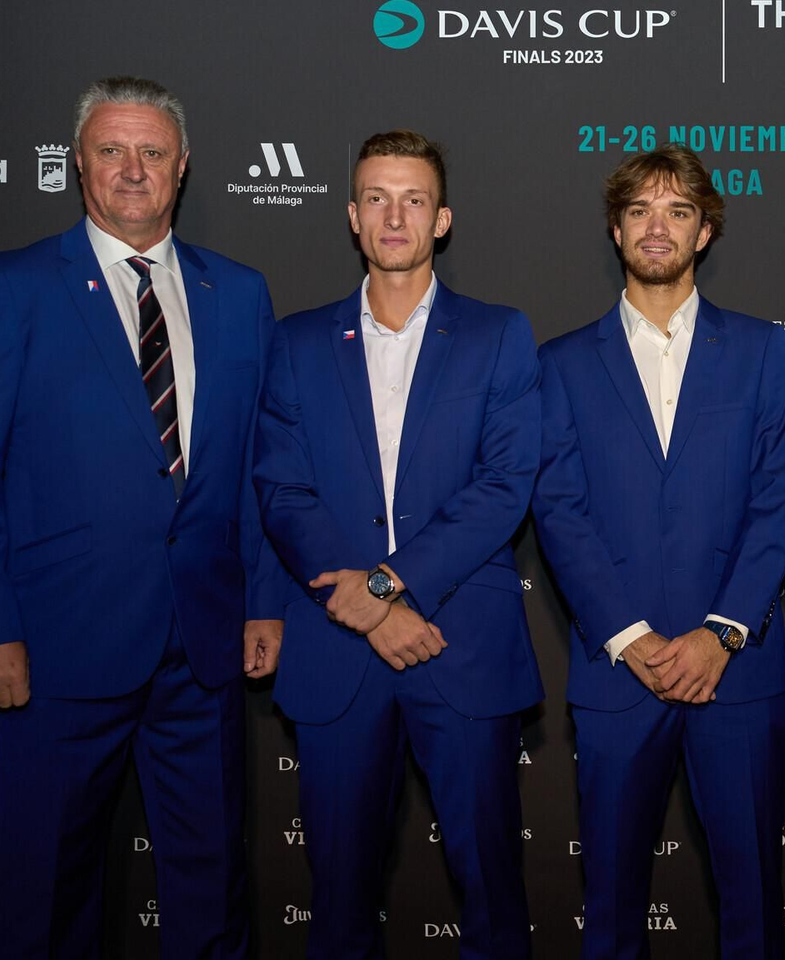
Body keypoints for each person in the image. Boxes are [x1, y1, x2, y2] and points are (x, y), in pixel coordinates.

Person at [0, 75, 290, 957]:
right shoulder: (12, 286)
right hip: (56, 647)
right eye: (112, 150)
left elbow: (259, 463)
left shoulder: (239, 293)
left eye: (152, 151)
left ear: (182, 166)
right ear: (77, 164)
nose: (133, 169)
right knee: (47, 895)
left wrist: (265, 599)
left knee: (213, 891)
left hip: (202, 646)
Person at [254, 130, 542, 959]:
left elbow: (504, 485)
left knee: (493, 898)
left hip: (460, 644)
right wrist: (373, 609)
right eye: (377, 198)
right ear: (352, 216)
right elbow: (282, 489)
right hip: (337, 650)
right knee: (339, 906)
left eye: (413, 199)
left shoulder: (497, 334)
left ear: (441, 219)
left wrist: (384, 587)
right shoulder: (298, 342)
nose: (394, 216)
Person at [532, 145, 785, 959]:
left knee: (755, 907)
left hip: (738, 673)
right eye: (640, 210)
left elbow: (777, 500)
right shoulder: (561, 363)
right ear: (616, 230)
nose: (658, 226)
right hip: (619, 674)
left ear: (705, 231)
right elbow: (560, 511)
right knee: (612, 910)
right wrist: (632, 637)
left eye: (678, 210)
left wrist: (721, 632)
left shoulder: (763, 350)